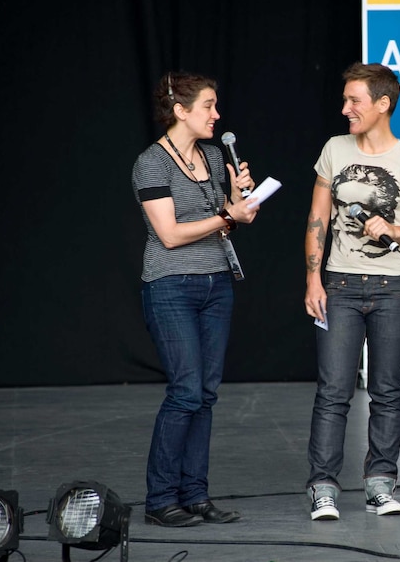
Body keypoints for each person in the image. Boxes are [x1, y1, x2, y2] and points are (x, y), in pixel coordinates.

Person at [303, 62, 400, 521]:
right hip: (339, 286)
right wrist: (312, 278)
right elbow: (317, 219)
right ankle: (323, 487)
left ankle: (380, 485)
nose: (346, 109)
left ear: (383, 104)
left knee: (387, 391)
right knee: (333, 391)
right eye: (345, 100)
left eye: (354, 101)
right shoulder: (334, 149)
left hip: (393, 290)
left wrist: (397, 229)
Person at [132, 71, 259, 527]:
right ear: (180, 111)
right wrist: (228, 213)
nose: (216, 114)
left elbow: (225, 218)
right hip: (171, 286)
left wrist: (239, 197)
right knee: (185, 392)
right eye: (208, 105)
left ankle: (195, 494)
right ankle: (160, 499)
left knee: (205, 394)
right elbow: (168, 235)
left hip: (216, 282)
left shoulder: (209, 154)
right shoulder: (152, 163)